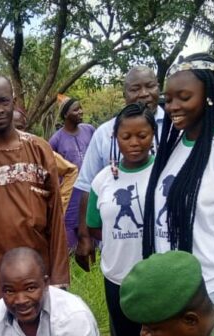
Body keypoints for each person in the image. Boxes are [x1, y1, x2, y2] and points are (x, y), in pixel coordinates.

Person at [141, 53, 214, 316]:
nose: (173, 107)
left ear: (209, 96)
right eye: (168, 99)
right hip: (175, 287)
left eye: (184, 97)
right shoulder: (171, 146)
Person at [0, 73, 69, 317]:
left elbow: (55, 220)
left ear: (14, 102)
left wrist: (59, 279)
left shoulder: (39, 150)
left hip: (39, 270)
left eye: (3, 101)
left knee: (45, 333)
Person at [86, 104, 171, 336]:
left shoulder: (164, 171)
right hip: (119, 279)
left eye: (142, 135)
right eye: (126, 136)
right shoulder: (103, 180)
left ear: (153, 135)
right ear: (115, 138)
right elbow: (94, 225)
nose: (135, 142)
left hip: (159, 278)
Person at [74, 66, 165, 272]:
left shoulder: (175, 126)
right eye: (135, 89)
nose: (144, 94)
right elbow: (88, 185)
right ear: (124, 94)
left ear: (158, 87)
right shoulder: (104, 133)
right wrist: (84, 237)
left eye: (150, 86)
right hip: (122, 249)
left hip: (164, 243)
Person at [49, 97, 96, 248]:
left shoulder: (89, 130)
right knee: (71, 231)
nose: (81, 111)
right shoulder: (56, 140)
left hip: (90, 189)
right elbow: (52, 169)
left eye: (80, 108)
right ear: (65, 115)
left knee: (92, 226)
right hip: (70, 194)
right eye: (76, 109)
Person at [12, 109, 78, 215]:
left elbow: (71, 170)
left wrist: (59, 205)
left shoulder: (39, 151)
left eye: (19, 127)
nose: (16, 132)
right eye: (11, 128)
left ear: (26, 128)